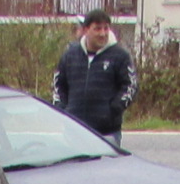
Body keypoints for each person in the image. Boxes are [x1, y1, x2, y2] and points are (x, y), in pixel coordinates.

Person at [51, 11, 135, 140]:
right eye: (97, 29)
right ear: (86, 30)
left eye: (106, 28)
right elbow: (58, 84)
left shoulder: (120, 56)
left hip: (107, 133)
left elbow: (130, 85)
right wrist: (62, 110)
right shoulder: (70, 55)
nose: (103, 33)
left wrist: (114, 108)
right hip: (74, 131)